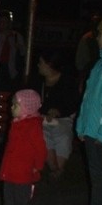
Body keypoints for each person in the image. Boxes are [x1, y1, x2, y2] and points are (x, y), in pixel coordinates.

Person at [0, 88, 47, 205]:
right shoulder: (16, 123)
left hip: (23, 173)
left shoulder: (33, 125)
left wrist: (38, 166)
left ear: (26, 107)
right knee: (8, 201)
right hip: (10, 171)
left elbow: (40, 147)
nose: (11, 108)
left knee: (21, 203)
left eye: (15, 105)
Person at [75, 14, 102, 205]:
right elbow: (88, 99)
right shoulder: (99, 65)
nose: (96, 38)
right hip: (91, 134)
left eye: (100, 34)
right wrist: (81, 126)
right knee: (97, 183)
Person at [37, 49, 80, 181]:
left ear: (49, 65)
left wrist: (58, 111)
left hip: (62, 119)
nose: (38, 65)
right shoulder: (37, 81)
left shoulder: (67, 81)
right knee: (43, 135)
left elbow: (73, 103)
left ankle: (58, 169)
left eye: (41, 62)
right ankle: (55, 168)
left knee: (63, 135)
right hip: (40, 119)